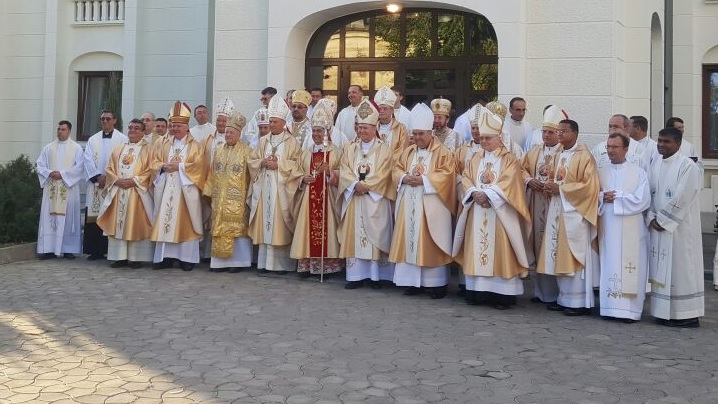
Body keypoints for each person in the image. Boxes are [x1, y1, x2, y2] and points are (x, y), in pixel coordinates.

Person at [453, 106, 530, 309]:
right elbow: (467, 178)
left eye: (488, 138)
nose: (484, 141)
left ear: (499, 137)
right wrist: (474, 194)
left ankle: (502, 296)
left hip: (500, 213)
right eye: (482, 137)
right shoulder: (475, 158)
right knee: (477, 246)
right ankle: (478, 292)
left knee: (500, 250)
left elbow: (511, 182)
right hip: (476, 210)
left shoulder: (509, 159)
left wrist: (487, 194)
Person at [390, 102, 456, 299]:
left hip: (431, 206)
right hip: (409, 202)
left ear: (430, 133)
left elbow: (447, 174)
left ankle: (435, 284)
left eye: (421, 134)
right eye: (415, 134)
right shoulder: (408, 151)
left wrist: (424, 180)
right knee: (410, 240)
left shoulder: (443, 152)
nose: (417, 138)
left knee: (431, 241)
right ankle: (412, 283)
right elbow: (396, 169)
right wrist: (403, 178)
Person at [538, 118, 600, 316]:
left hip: (575, 214)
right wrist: (549, 186)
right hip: (557, 210)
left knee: (573, 255)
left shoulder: (584, 157)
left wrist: (562, 189)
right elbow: (555, 178)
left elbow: (590, 187)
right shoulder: (558, 154)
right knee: (557, 254)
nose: (560, 135)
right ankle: (563, 298)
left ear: (575, 133)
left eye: (564, 131)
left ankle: (578, 301)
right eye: (559, 131)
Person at [647, 127, 704, 327]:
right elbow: (651, 193)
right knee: (663, 270)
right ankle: (664, 312)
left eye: (666, 142)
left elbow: (684, 196)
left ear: (678, 144)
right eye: (659, 141)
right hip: (659, 226)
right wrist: (652, 217)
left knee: (681, 270)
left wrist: (663, 220)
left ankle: (687, 315)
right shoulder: (656, 164)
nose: (661, 145)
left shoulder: (688, 166)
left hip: (680, 229)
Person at [338, 98, 396, 289]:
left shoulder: (384, 149)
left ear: (374, 127)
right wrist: (354, 184)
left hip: (374, 201)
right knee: (355, 235)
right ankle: (356, 276)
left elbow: (385, 172)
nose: (362, 131)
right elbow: (344, 168)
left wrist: (367, 186)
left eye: (366, 128)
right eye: (359, 127)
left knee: (375, 236)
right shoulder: (350, 148)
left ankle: (375, 277)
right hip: (354, 198)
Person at [597, 133, 651, 323]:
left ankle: (630, 311)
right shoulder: (600, 172)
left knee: (631, 266)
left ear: (626, 149)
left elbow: (643, 200)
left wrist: (617, 197)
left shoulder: (638, 172)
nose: (611, 150)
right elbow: (590, 197)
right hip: (608, 228)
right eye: (608, 147)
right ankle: (609, 308)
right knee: (609, 263)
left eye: (615, 147)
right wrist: (602, 197)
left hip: (632, 230)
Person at [248, 95, 302, 274]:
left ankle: (281, 265)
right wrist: (261, 162)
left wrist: (279, 165)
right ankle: (264, 263)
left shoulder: (292, 141)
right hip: (264, 186)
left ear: (282, 122)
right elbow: (252, 160)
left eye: (275, 122)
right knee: (265, 223)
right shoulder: (263, 141)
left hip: (281, 189)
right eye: (270, 121)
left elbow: (297, 165)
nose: (271, 125)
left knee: (279, 224)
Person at [151, 101, 206, 271]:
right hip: (166, 186)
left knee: (186, 221)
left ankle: (186, 259)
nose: (175, 129)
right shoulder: (163, 143)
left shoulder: (195, 145)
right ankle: (165, 258)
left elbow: (200, 166)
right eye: (173, 125)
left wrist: (180, 167)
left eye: (178, 126)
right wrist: (162, 166)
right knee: (165, 219)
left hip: (185, 189)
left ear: (186, 126)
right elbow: (153, 161)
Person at [290, 102, 343, 278]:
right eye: (314, 131)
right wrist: (302, 179)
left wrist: (330, 173)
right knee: (307, 229)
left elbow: (344, 174)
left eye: (319, 131)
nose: (316, 135)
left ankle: (326, 265)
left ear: (327, 132)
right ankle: (307, 265)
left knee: (327, 229)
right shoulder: (306, 153)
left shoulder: (335, 153)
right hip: (308, 199)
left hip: (328, 199)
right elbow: (295, 173)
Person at [520, 105, 566, 305]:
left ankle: (558, 294)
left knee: (554, 246)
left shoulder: (567, 153)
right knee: (539, 246)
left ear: (559, 133)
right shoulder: (534, 152)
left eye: (551, 132)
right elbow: (521, 170)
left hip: (557, 207)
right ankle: (540, 292)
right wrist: (530, 181)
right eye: (544, 131)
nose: (546, 135)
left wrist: (557, 187)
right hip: (536, 203)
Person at [97, 118, 155, 269]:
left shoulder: (149, 149)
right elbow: (109, 168)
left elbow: (151, 170)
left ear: (143, 132)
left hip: (137, 193)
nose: (133, 130)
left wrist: (134, 181)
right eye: (130, 128)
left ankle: (136, 258)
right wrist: (116, 180)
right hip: (119, 191)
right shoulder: (119, 148)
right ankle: (119, 257)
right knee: (118, 224)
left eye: (137, 128)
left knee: (136, 224)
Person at [203, 111, 253, 273]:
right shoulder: (218, 150)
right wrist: (209, 192)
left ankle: (238, 262)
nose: (228, 134)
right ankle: (219, 262)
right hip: (219, 196)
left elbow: (251, 175)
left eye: (232, 132)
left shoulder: (247, 151)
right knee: (219, 228)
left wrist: (249, 195)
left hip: (237, 197)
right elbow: (212, 172)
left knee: (236, 230)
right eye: (227, 132)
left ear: (239, 134)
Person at [83, 110, 128, 260]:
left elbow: (125, 160)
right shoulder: (92, 139)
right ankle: (95, 250)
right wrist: (97, 177)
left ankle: (113, 250)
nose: (104, 121)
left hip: (113, 184)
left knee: (112, 215)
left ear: (114, 121)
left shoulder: (123, 139)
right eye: (102, 119)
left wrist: (109, 179)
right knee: (95, 216)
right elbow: (87, 159)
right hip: (96, 184)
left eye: (108, 119)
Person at [36, 120, 84, 260]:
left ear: (69, 131)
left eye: (63, 129)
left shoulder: (76, 148)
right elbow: (39, 165)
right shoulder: (48, 148)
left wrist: (62, 174)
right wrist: (50, 173)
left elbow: (80, 167)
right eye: (58, 129)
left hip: (68, 189)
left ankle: (68, 250)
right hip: (51, 187)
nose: (59, 132)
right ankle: (48, 249)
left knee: (68, 218)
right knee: (49, 218)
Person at [200, 97, 236, 261]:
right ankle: (208, 253)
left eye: (224, 121)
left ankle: (223, 254)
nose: (221, 124)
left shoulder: (235, 141)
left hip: (227, 186)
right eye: (219, 120)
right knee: (209, 217)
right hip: (210, 183)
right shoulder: (209, 139)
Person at [375, 86, 408, 156]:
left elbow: (402, 151)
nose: (382, 111)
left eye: (385, 108)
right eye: (379, 109)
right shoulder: (373, 128)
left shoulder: (401, 129)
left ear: (392, 110)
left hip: (393, 165)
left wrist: (387, 162)